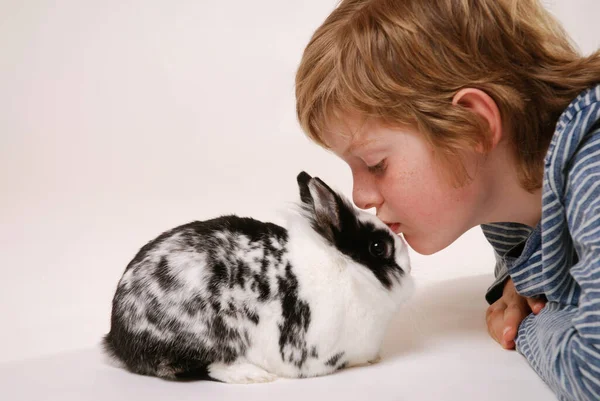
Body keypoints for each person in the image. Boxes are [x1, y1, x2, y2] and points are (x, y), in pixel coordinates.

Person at [294, 0, 600, 399]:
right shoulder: (506, 210)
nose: (360, 196)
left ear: (472, 124)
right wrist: (515, 281)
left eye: (376, 164)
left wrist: (534, 324)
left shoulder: (592, 172)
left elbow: (592, 372)